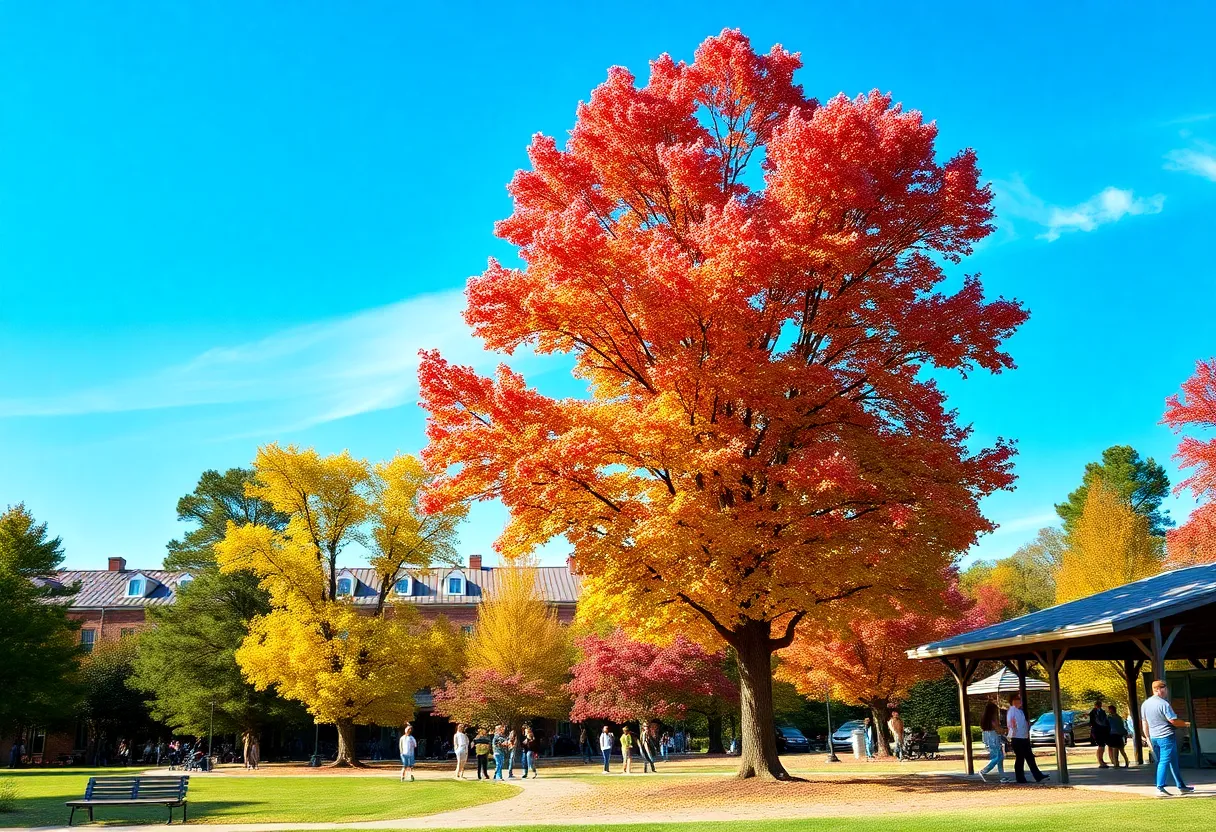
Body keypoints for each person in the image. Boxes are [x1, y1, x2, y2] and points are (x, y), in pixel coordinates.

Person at [1141, 679, 1193, 796]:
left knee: (1173, 761)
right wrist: (1186, 724)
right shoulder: (1164, 704)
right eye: (1164, 688)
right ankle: (1160, 787)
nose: (1166, 690)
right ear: (1158, 689)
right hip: (1166, 737)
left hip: (1154, 737)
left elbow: (1144, 722)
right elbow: (1173, 721)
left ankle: (1181, 786)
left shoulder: (1145, 704)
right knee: (1163, 762)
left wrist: (1147, 737)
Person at [1006, 693, 1048, 784]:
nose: (1020, 701)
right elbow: (1011, 722)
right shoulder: (1012, 710)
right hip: (1017, 738)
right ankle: (1020, 778)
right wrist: (1012, 728)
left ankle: (1038, 775)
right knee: (1020, 758)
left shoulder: (1020, 711)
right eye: (1018, 699)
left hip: (1023, 737)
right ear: (1013, 701)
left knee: (1029, 757)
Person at [978, 701, 1008, 783]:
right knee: (998, 757)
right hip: (994, 740)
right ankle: (984, 771)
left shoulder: (985, 720)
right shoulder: (993, 719)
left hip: (989, 740)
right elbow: (998, 730)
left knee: (999, 758)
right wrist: (1005, 730)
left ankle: (1003, 776)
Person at [1088, 697, 1110, 768]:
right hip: (1097, 730)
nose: (1099, 706)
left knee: (1102, 746)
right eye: (1098, 705)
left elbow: (1105, 720)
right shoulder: (1093, 712)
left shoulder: (1102, 712)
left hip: (1103, 730)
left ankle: (1101, 760)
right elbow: (1093, 722)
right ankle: (1100, 761)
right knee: (1101, 745)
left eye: (1100, 705)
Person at [1106, 704, 1129, 768]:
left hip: (1114, 734)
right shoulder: (1119, 718)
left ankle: (1116, 764)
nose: (1109, 711)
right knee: (1121, 750)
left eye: (1110, 710)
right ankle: (1126, 762)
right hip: (1119, 735)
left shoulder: (1110, 718)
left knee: (1115, 750)